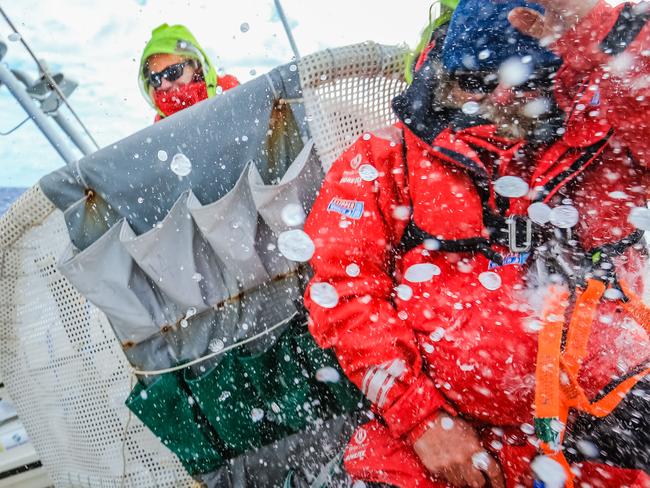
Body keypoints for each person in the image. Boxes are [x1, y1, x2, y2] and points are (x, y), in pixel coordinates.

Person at [304, 0, 650, 486]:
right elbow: (342, 293)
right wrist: (422, 420)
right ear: (445, 69)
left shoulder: (602, 145)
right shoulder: (383, 160)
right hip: (423, 442)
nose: (503, 98)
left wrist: (609, 34)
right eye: (479, 79)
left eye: (527, 80)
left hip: (596, 419)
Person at [139, 23, 239, 122]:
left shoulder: (228, 91)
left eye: (172, 72)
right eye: (155, 78)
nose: (164, 85)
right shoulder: (161, 122)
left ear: (194, 64)